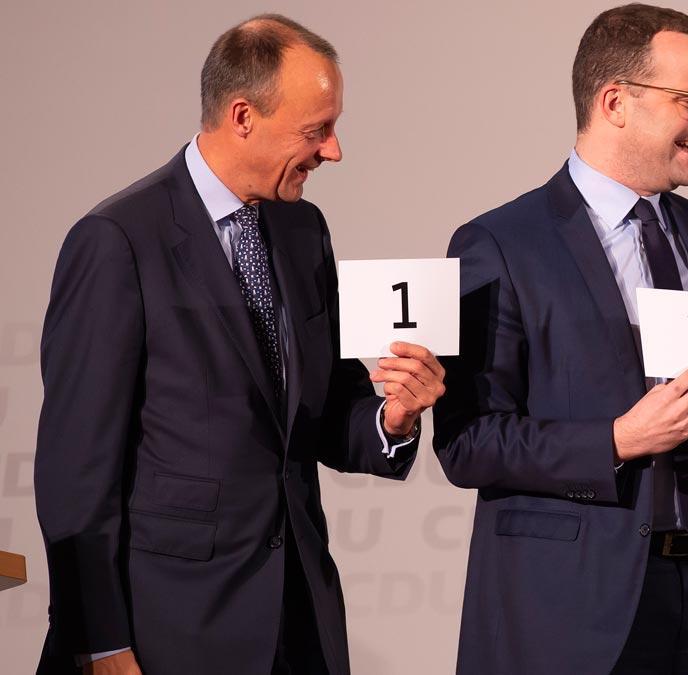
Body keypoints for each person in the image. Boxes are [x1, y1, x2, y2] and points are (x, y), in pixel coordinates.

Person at [34, 15, 444, 675]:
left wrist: (390, 416)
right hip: (168, 632)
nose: (332, 152)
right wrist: (102, 641)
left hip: (297, 623)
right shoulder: (117, 241)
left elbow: (323, 412)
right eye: (316, 131)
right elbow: (76, 474)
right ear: (243, 115)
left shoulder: (303, 229)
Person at [433, 4, 688, 674]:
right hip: (578, 606)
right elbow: (468, 442)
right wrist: (617, 440)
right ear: (616, 101)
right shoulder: (498, 243)